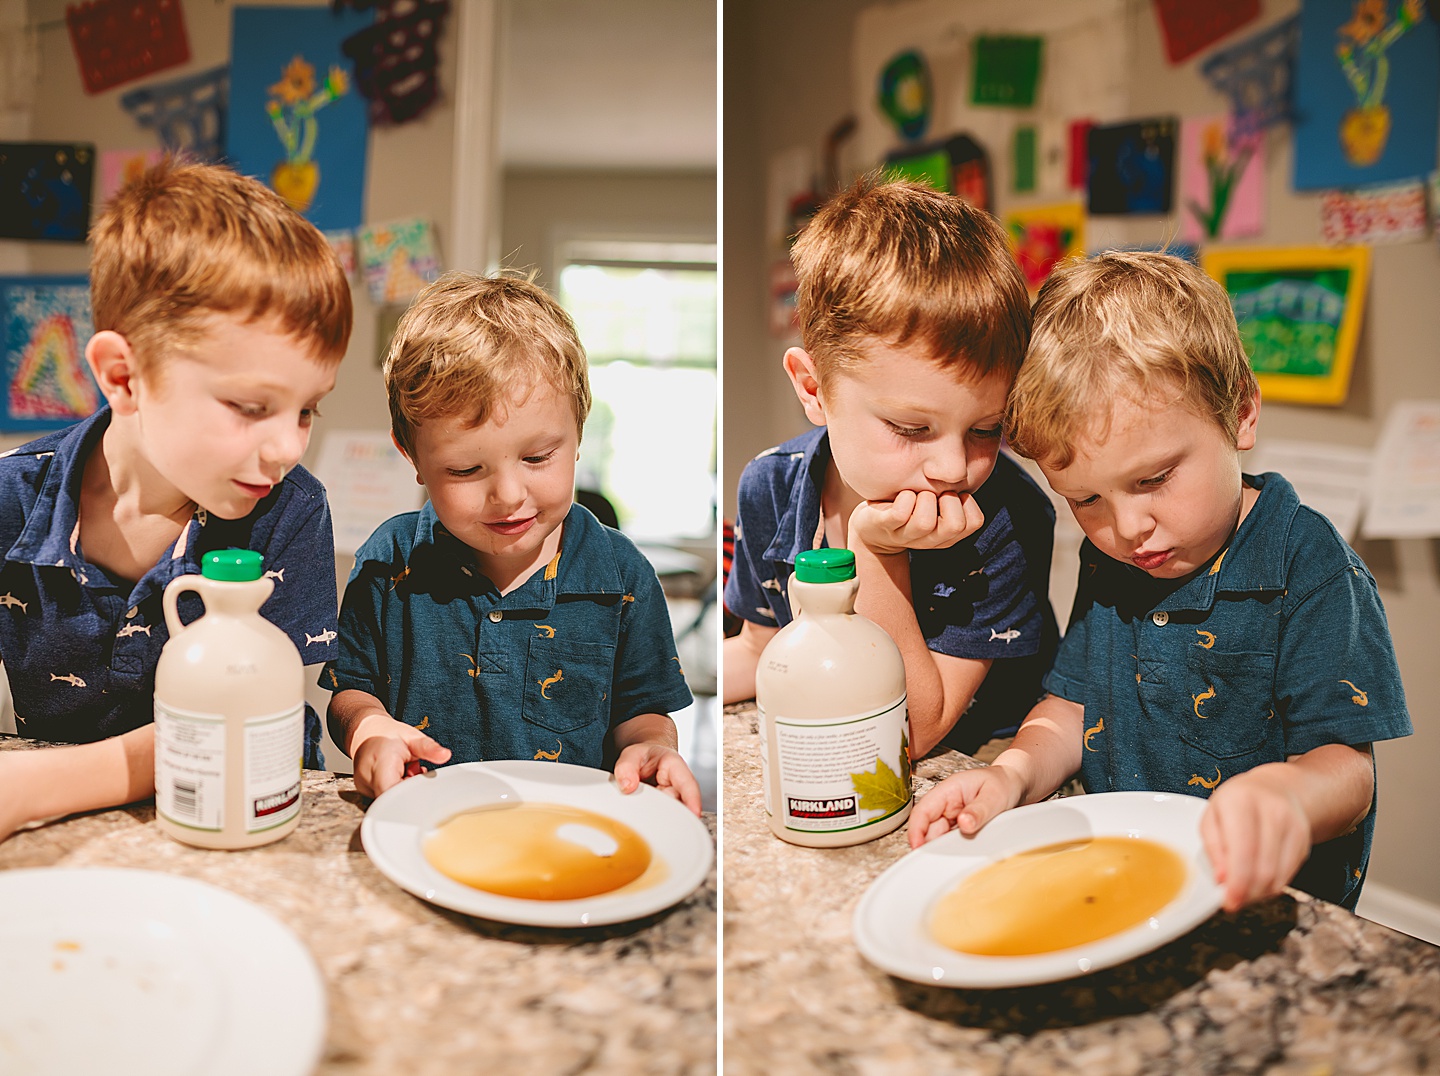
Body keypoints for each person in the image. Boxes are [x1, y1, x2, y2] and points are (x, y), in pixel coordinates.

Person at [909, 251, 1413, 912]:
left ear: (1240, 411)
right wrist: (1012, 774)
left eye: (1152, 480)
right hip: (1126, 885)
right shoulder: (1116, 558)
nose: (1126, 527)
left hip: (1258, 911)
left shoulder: (1310, 566)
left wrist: (1287, 795)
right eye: (1086, 501)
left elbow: (1347, 772)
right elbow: (1071, 709)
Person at [0, 158, 352, 843]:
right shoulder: (13, 497)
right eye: (252, 407)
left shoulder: (291, 511)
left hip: (255, 824)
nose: (288, 448)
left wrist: (35, 786)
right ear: (123, 376)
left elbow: (240, 730)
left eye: (308, 410)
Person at [324, 272, 701, 813]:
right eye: (465, 468)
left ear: (579, 433)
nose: (507, 494)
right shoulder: (389, 562)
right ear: (411, 456)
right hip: (423, 824)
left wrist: (651, 749)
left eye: (537, 457)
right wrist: (369, 730)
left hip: (568, 831)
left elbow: (642, 712)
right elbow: (350, 690)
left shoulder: (621, 575)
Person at [723, 175, 1058, 759]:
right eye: (911, 428)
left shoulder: (1011, 517)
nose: (954, 467)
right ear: (813, 387)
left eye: (986, 430)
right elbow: (759, 649)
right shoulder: (769, 487)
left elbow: (913, 732)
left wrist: (877, 553)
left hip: (980, 766)